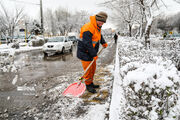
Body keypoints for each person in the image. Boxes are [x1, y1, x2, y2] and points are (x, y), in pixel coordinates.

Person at [77, 11, 108, 93]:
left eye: (103, 22)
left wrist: (103, 42)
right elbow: (87, 43)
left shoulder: (97, 27)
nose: (102, 23)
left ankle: (91, 83)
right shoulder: (88, 28)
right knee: (88, 71)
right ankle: (88, 85)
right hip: (85, 52)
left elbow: (99, 36)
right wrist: (94, 54)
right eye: (101, 21)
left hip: (91, 52)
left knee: (93, 69)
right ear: (97, 19)